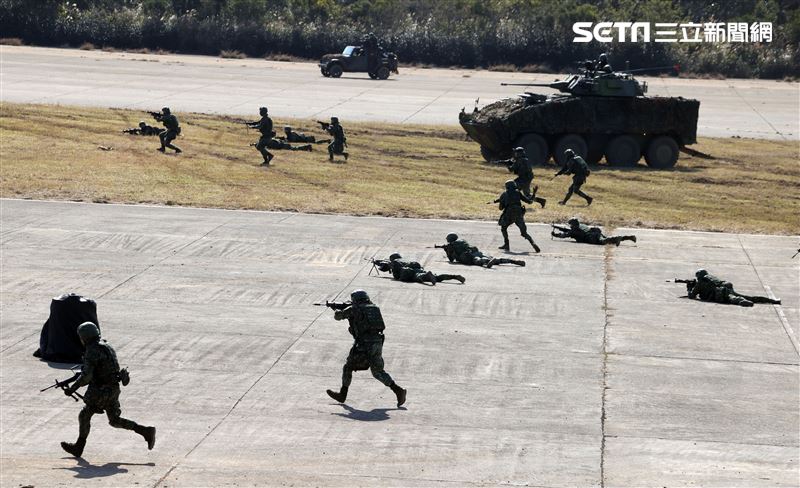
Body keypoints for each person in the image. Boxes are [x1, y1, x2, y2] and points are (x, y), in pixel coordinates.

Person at [59, 322, 156, 457]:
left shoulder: (92, 350)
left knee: (85, 414)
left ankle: (79, 447)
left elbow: (86, 376)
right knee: (114, 420)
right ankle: (145, 431)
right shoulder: (106, 345)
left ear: (85, 337)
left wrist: (72, 388)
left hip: (101, 390)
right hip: (113, 388)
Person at [326, 290, 406, 407]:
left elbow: (338, 316)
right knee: (377, 371)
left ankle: (342, 395)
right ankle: (398, 390)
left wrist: (336, 309)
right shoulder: (374, 308)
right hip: (377, 341)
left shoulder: (354, 309)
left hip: (364, 344)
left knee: (348, 367)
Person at [686, 269, 781, 307]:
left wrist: (689, 288)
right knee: (749, 297)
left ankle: (741, 301)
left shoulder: (700, 283)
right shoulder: (711, 278)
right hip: (725, 287)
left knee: (732, 298)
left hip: (720, 293)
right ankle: (773, 301)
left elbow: (692, 296)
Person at [492, 180, 541, 252]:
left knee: (503, 228)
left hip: (509, 214)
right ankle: (532, 243)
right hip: (519, 213)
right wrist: (534, 193)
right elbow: (529, 202)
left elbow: (500, 208)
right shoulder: (518, 193)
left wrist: (502, 201)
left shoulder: (504, 194)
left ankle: (506, 244)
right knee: (524, 233)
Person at [437, 233, 525, 268]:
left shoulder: (451, 245)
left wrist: (447, 250)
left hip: (469, 256)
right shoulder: (463, 240)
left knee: (478, 261)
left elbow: (452, 260)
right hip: (476, 251)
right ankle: (513, 261)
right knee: (496, 260)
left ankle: (488, 262)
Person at [374, 253, 465, 285]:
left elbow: (384, 267)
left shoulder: (394, 262)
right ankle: (454, 277)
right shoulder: (404, 260)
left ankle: (427, 275)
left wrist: (377, 262)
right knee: (437, 277)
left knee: (419, 277)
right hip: (417, 267)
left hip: (411, 272)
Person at [551, 218, 636, 246]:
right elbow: (569, 231)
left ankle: (617, 238)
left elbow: (565, 234)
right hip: (595, 233)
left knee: (603, 241)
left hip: (591, 237)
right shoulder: (581, 226)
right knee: (607, 240)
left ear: (573, 225)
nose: (570, 226)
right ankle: (629, 237)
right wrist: (558, 228)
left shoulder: (574, 231)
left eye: (571, 225)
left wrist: (555, 235)